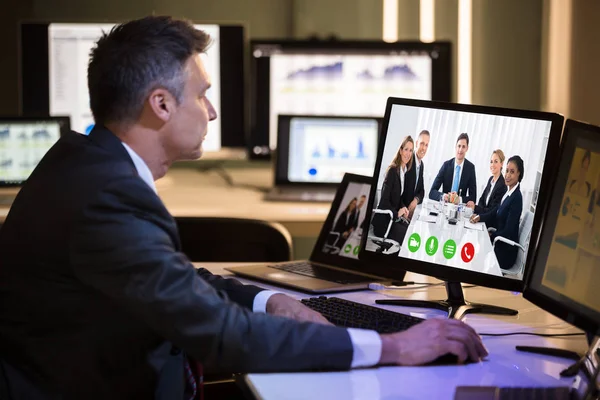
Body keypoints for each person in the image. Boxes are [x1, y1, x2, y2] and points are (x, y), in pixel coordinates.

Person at [0, 16, 486, 399]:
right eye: (202, 94)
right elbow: (217, 333)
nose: (211, 111)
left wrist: (267, 299)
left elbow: (175, 282)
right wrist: (394, 346)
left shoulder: (81, 159)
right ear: (161, 105)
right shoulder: (108, 198)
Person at [470, 155, 524, 271]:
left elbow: (509, 231)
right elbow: (495, 212)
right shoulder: (508, 192)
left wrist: (492, 235)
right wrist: (480, 217)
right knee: (474, 246)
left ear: (519, 174)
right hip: (498, 242)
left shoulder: (517, 198)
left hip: (505, 251)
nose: (508, 175)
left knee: (476, 253)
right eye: (507, 171)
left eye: (512, 172)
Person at [372, 136, 414, 244]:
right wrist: (397, 213)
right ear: (400, 150)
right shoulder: (392, 171)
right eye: (406, 149)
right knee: (408, 237)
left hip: (392, 220)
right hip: (383, 223)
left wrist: (403, 207)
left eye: (411, 150)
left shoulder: (403, 172)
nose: (408, 153)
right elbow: (384, 201)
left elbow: (398, 198)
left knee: (412, 230)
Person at [429, 133, 477, 204]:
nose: (460, 150)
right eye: (459, 146)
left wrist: (459, 199)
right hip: (444, 206)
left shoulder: (470, 168)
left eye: (463, 147)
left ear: (467, 148)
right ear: (455, 147)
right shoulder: (446, 166)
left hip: (459, 210)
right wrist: (444, 196)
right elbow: (432, 192)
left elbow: (473, 197)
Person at [466, 149, 507, 215]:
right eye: (491, 162)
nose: (492, 165)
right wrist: (478, 213)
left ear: (501, 164)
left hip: (489, 222)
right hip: (482, 216)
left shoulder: (502, 185)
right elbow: (481, 200)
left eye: (496, 162)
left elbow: (492, 210)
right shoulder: (491, 179)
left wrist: (475, 208)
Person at [403, 130, 430, 219]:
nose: (424, 148)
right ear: (417, 143)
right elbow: (398, 191)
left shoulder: (421, 165)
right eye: (422, 143)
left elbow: (422, 191)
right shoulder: (408, 159)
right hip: (401, 211)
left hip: (410, 213)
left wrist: (415, 200)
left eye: (426, 145)